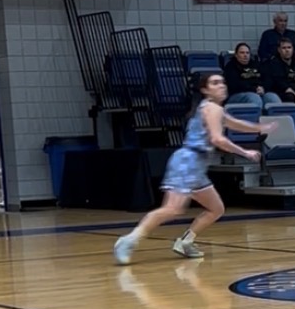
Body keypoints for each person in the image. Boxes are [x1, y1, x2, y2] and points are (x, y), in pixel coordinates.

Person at [113, 73, 273, 265]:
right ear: (205, 90)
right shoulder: (211, 107)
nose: (221, 85)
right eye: (215, 83)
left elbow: (236, 124)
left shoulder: (215, 110)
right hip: (187, 163)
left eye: (222, 82)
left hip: (196, 166)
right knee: (172, 209)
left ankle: (185, 242)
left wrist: (260, 127)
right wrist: (245, 152)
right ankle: (128, 241)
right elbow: (217, 139)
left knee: (216, 209)